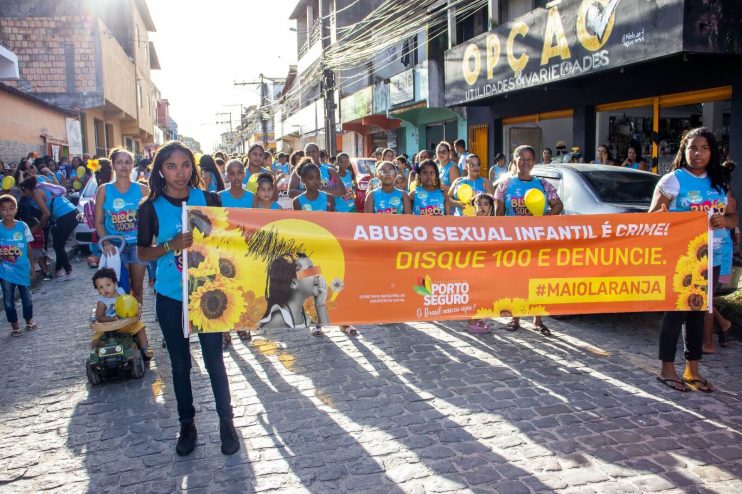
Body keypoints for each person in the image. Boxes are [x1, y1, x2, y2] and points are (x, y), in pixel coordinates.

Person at [137, 140, 239, 456]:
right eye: (171, 166)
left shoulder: (207, 199)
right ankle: (187, 425)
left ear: (192, 168)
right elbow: (142, 253)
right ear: (160, 171)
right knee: (180, 365)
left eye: (185, 165)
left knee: (214, 361)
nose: (180, 173)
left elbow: (231, 238)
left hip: (210, 294)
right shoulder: (150, 208)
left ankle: (227, 423)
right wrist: (172, 246)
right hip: (171, 295)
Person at [649, 127, 737, 393]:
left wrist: (725, 220)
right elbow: (651, 216)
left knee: (698, 313)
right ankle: (666, 370)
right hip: (681, 260)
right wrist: (663, 217)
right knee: (676, 313)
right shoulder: (672, 180)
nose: (697, 153)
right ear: (683, 151)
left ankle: (692, 370)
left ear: (712, 151)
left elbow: (733, 217)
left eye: (704, 148)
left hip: (713, 257)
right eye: (692, 148)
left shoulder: (719, 182)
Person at [494, 145, 563, 336]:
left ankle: (537, 319)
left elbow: (558, 204)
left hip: (536, 242)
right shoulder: (505, 184)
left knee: (537, 280)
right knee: (514, 280)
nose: (525, 163)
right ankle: (514, 317)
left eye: (529, 159)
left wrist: (545, 219)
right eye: (521, 159)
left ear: (534, 162)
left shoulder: (542, 184)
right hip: (512, 243)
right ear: (514, 161)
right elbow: (498, 214)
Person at [96, 148, 150, 306]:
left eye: (127, 162)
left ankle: (136, 323)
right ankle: (123, 324)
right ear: (113, 165)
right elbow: (98, 221)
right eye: (119, 162)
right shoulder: (104, 190)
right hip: (115, 246)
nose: (123, 166)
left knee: (138, 288)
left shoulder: (142, 189)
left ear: (132, 165)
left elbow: (151, 218)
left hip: (138, 246)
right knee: (121, 289)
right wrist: (106, 242)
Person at [218, 160, 255, 345]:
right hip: (225, 252)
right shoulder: (218, 197)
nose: (236, 177)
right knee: (226, 290)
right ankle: (225, 328)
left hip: (246, 252)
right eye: (231, 173)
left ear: (244, 174)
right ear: (226, 175)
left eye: (239, 172)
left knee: (244, 290)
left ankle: (243, 325)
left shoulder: (252, 197)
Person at [19, 176, 78, 280]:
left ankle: (69, 271)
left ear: (28, 189)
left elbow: (46, 214)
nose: (24, 194)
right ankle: (58, 271)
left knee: (58, 245)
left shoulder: (36, 193)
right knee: (58, 244)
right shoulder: (42, 189)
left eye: (23, 191)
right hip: (72, 213)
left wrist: (37, 227)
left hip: (65, 215)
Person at [259, 253, 329, 334]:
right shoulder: (279, 320)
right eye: (310, 271)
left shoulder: (303, 317)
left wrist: (320, 305)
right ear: (294, 283)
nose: (317, 275)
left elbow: (324, 340)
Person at [90, 268, 150, 357]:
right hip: (109, 327)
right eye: (101, 287)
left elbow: (130, 302)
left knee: (140, 327)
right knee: (96, 339)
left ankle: (146, 348)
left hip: (124, 323)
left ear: (115, 283)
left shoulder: (121, 292)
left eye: (108, 285)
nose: (105, 289)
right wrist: (112, 318)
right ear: (97, 290)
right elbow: (99, 317)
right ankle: (95, 355)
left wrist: (136, 309)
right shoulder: (102, 302)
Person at [0, 195, 35, 337]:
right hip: (5, 271)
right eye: (4, 209)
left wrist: (33, 266)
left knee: (27, 298)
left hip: (22, 269)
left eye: (11, 208)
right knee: (8, 300)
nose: (8, 212)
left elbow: (28, 247)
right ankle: (14, 324)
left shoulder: (22, 226)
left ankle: (29, 319)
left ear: (16, 209)